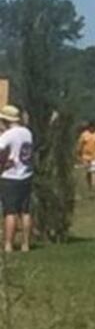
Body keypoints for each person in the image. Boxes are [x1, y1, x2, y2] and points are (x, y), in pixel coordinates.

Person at [0, 105, 34, 253]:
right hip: (26, 173)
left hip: (11, 176)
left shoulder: (8, 135)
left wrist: (3, 163)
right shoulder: (27, 132)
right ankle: (25, 244)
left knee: (10, 212)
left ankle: (8, 245)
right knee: (25, 211)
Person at [76, 122, 95, 191]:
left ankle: (93, 185)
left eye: (93, 127)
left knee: (94, 170)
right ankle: (89, 185)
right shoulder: (84, 134)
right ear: (89, 127)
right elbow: (80, 144)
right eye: (91, 127)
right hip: (85, 156)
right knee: (88, 171)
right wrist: (78, 153)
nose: (92, 128)